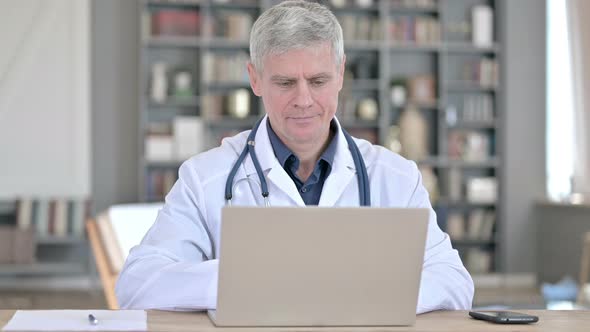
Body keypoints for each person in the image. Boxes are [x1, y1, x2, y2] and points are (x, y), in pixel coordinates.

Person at [116, 0, 474, 313]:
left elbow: (454, 282)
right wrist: (248, 281)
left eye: (318, 81)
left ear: (340, 75)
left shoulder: (395, 176)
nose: (303, 100)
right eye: (285, 83)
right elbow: (137, 285)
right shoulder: (204, 177)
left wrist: (365, 292)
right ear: (255, 79)